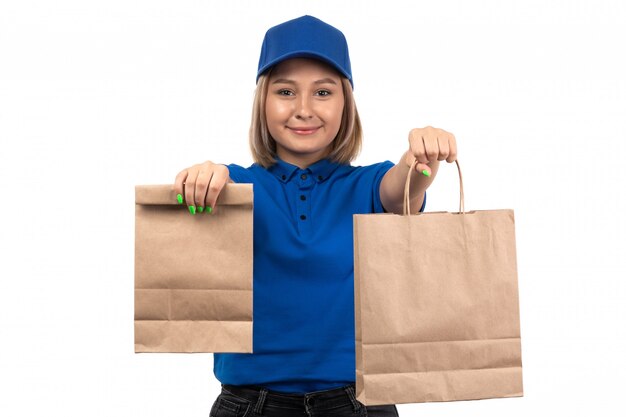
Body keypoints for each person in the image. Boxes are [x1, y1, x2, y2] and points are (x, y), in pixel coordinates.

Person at [173, 15, 457, 417]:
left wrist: (421, 161)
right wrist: (203, 175)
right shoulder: (235, 186)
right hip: (250, 404)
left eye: (323, 92)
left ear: (345, 103)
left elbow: (402, 189)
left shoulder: (370, 185)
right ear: (263, 102)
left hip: (357, 403)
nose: (303, 109)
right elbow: (206, 192)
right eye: (286, 91)